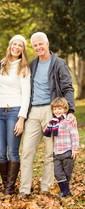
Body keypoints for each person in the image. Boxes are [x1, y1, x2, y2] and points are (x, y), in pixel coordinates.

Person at [19, 31, 76, 198]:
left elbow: (67, 87)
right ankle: (24, 189)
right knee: (27, 151)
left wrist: (70, 110)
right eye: (35, 45)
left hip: (52, 112)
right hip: (33, 112)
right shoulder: (32, 65)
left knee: (51, 152)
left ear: (47, 43)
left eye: (40, 44)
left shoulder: (58, 63)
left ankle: (46, 187)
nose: (38, 47)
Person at [0, 35, 31, 195]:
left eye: (20, 45)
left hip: (14, 111)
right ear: (10, 46)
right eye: (14, 44)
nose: (16, 47)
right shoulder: (2, 64)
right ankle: (6, 183)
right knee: (0, 151)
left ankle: (9, 189)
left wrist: (21, 119)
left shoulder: (24, 68)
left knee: (12, 152)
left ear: (23, 49)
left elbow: (26, 95)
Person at [43, 97, 79, 199]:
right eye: (55, 109)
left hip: (67, 152)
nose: (57, 111)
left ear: (65, 109)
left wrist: (75, 149)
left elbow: (75, 135)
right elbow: (52, 136)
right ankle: (66, 192)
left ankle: (65, 192)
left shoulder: (68, 121)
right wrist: (53, 150)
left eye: (59, 108)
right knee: (58, 173)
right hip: (57, 152)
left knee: (67, 174)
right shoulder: (53, 122)